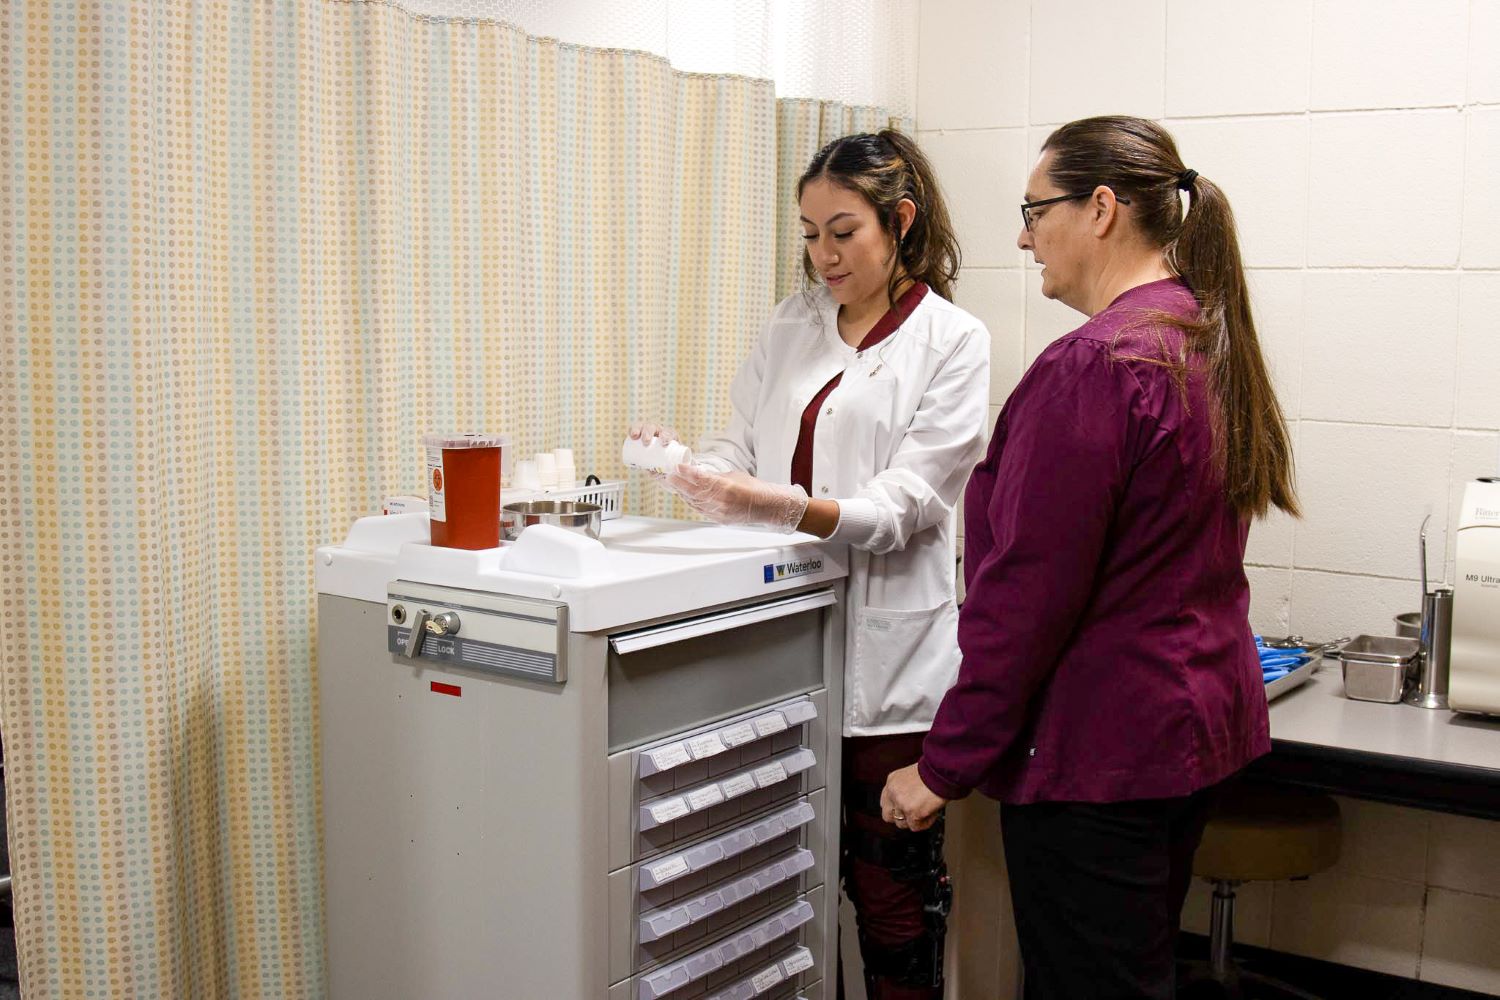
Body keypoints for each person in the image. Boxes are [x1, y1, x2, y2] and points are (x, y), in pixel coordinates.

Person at [880, 115, 1299, 999]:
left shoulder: (1098, 366)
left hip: (1099, 757)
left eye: (1035, 210)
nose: (1023, 236)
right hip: (1183, 737)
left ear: (1101, 208)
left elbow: (1026, 600)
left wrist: (942, 767)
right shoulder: (1202, 337)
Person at [631, 130, 990, 1000]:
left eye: (842, 231)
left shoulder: (952, 340)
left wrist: (785, 506)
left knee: (893, 903)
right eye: (808, 233)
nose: (822, 255)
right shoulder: (793, 324)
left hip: (885, 680)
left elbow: (907, 507)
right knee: (777, 892)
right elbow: (738, 441)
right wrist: (695, 470)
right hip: (778, 656)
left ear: (899, 222)